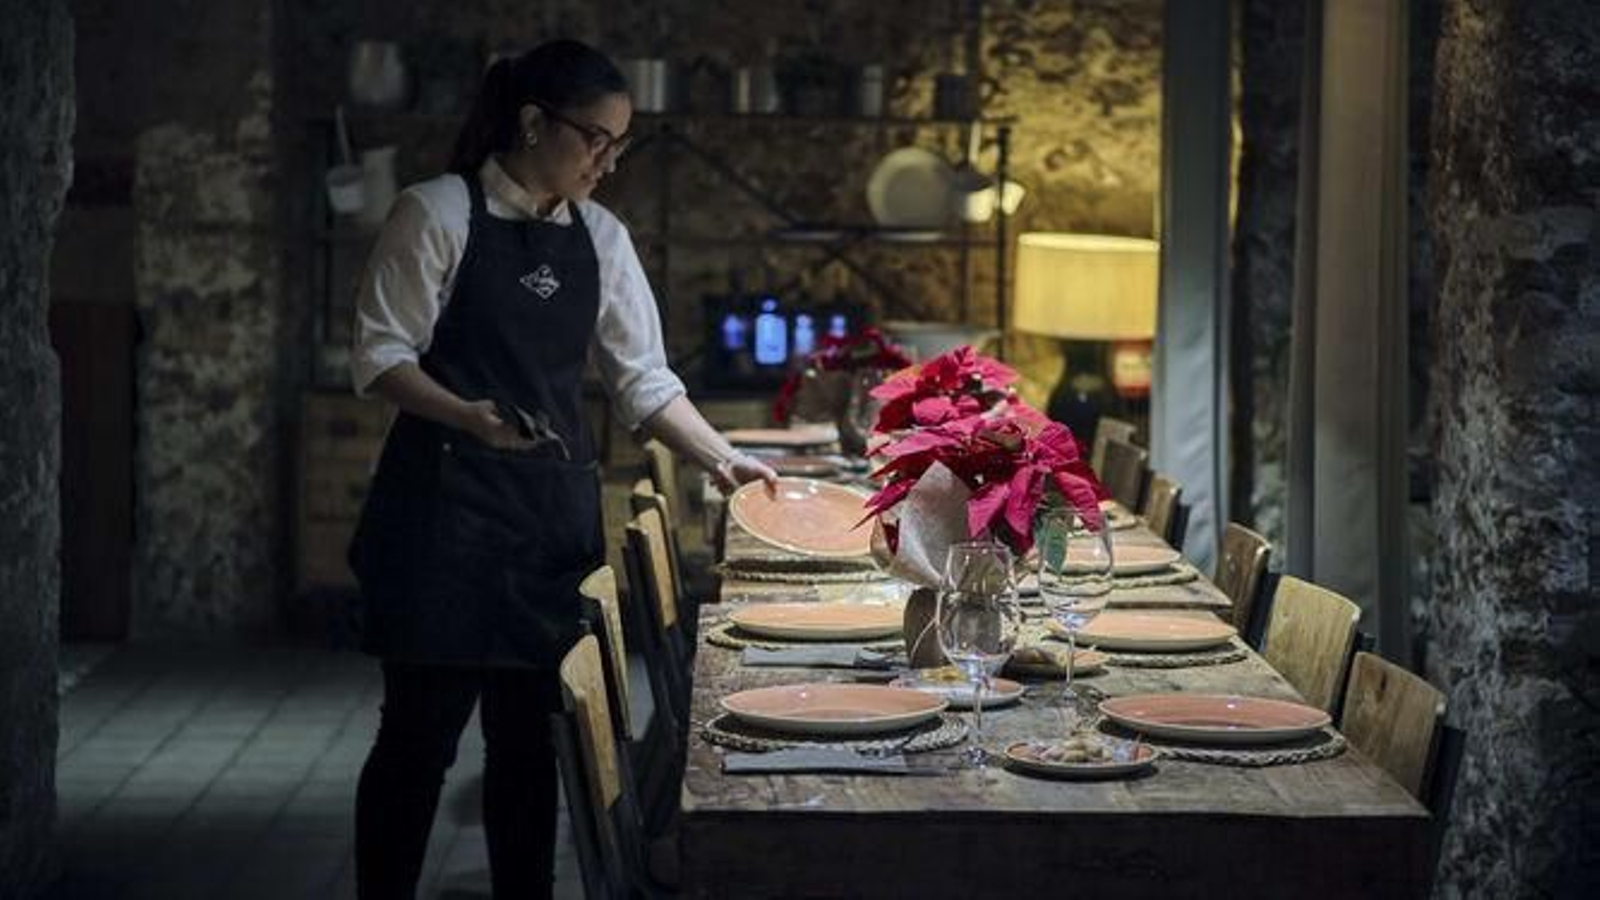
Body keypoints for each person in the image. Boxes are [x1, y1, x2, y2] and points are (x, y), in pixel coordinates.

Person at [345, 39, 776, 899]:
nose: (606, 163)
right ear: (533, 122)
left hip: (545, 522)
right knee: (418, 740)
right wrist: (466, 414)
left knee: (529, 744)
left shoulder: (601, 237)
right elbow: (381, 354)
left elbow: (643, 381)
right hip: (439, 518)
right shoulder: (436, 213)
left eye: (619, 146)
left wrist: (726, 460)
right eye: (594, 140)